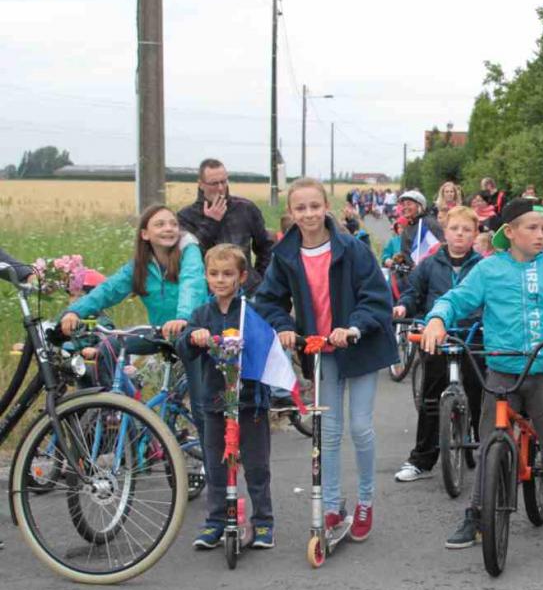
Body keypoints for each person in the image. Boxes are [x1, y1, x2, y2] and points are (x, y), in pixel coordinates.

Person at [419, 198, 543, 552]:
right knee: (489, 442)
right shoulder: (489, 269)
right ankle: (476, 515)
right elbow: (456, 299)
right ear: (510, 232)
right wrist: (438, 319)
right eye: (532, 228)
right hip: (501, 373)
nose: (542, 235)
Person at [254, 177, 397, 543]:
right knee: (327, 433)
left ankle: (365, 500)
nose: (308, 214)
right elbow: (269, 300)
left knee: (361, 427)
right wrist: (284, 327)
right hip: (320, 350)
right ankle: (332, 505)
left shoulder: (352, 248)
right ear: (291, 213)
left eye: (314, 206)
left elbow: (376, 297)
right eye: (300, 208)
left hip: (360, 346)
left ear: (326, 208)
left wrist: (353, 326)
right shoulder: (285, 255)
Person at [60, 204, 209, 411]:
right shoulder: (140, 265)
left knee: (201, 403)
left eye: (173, 224)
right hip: (160, 332)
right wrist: (74, 311)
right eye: (160, 224)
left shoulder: (188, 252)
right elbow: (108, 290)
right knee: (108, 348)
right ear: (145, 234)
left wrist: (183, 318)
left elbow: (191, 284)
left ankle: (207, 440)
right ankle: (130, 411)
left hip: (194, 331)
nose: (169, 228)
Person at [182, 244, 276, 551]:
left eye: (227, 274)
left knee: (256, 464)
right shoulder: (201, 313)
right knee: (216, 463)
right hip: (215, 402)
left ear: (241, 277)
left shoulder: (252, 311)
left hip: (250, 402)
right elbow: (184, 349)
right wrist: (192, 337)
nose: (220, 280)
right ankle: (216, 521)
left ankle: (263, 522)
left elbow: (266, 344)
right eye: (214, 274)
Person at [392, 208, 485, 483]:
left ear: (475, 234)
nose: (460, 234)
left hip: (473, 335)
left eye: (466, 229)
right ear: (445, 232)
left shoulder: (483, 266)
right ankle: (421, 458)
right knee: (431, 399)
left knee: (481, 395)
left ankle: (490, 452)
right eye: (455, 228)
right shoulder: (430, 264)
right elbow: (413, 293)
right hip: (435, 336)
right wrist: (402, 307)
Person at [177, 158, 273, 292]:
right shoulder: (186, 216)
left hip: (247, 290)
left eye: (223, 182)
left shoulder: (245, 208)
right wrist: (211, 222)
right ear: (201, 184)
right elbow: (191, 255)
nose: (220, 188)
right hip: (208, 294)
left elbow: (266, 247)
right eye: (214, 183)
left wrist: (260, 280)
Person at [396, 189, 444, 265]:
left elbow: (442, 248)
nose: (405, 207)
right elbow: (406, 253)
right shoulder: (408, 227)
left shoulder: (430, 223)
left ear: (419, 206)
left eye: (409, 204)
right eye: (403, 205)